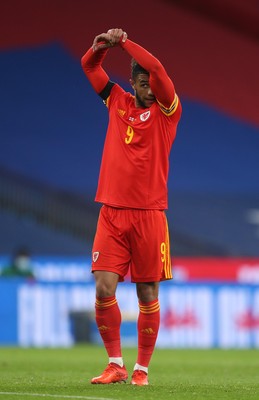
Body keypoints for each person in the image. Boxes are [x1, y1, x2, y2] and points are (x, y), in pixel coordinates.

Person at [81, 28, 182, 386]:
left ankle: (141, 370)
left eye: (153, 83)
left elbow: (157, 67)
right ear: (133, 83)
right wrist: (99, 49)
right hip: (111, 212)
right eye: (143, 84)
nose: (150, 89)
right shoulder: (117, 102)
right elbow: (89, 67)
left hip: (150, 216)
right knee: (104, 288)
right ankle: (116, 365)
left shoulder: (168, 112)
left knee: (147, 292)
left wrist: (124, 42)